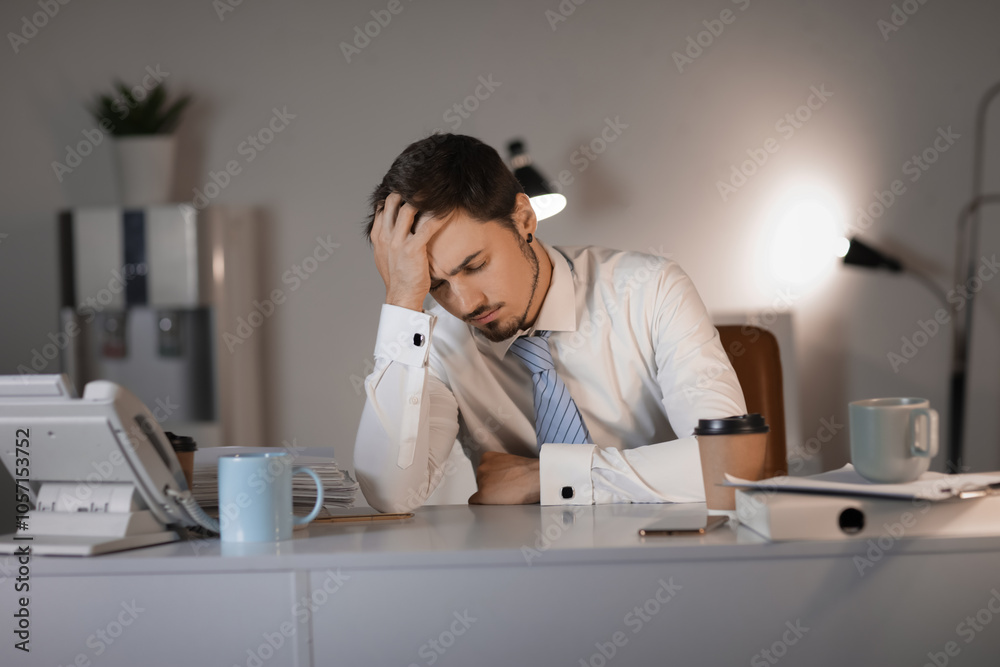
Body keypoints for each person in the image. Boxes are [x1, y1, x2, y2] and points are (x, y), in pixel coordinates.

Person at [354, 133, 746, 513]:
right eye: (436, 284)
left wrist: (552, 477)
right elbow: (391, 494)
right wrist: (402, 302)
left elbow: (728, 465)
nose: (466, 303)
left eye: (475, 266)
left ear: (524, 219)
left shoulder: (651, 290)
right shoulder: (437, 344)